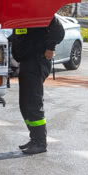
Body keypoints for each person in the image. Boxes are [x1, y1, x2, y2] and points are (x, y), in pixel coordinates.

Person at [12, 15, 65, 154]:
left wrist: (50, 47)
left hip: (36, 61)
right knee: (25, 104)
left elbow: (59, 31)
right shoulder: (20, 12)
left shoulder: (39, 11)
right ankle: (34, 138)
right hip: (26, 61)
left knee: (33, 102)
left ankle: (40, 142)